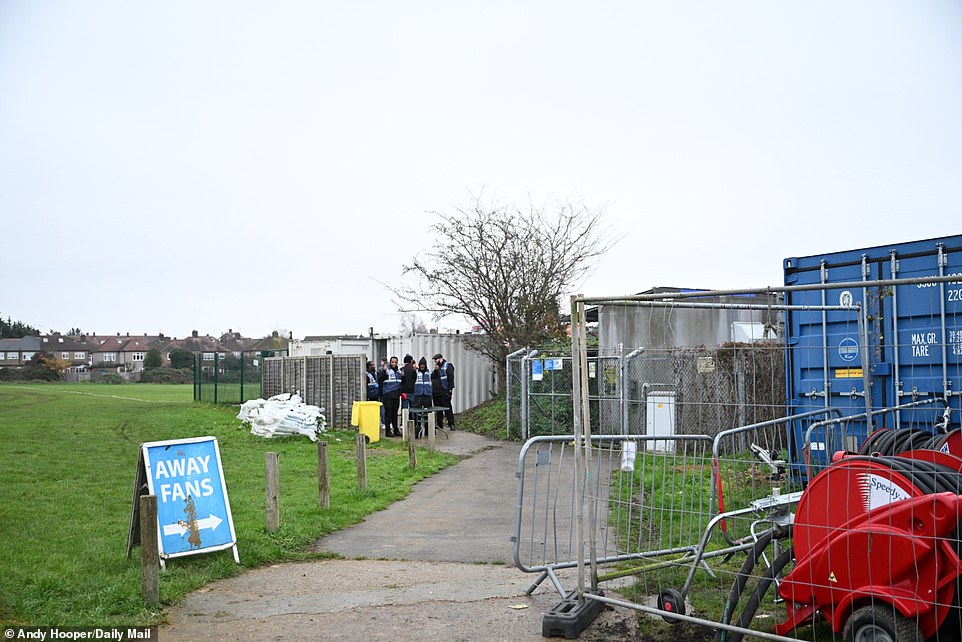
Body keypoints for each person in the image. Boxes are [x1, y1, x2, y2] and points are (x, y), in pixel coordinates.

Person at [431, 352, 456, 431]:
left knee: (447, 408)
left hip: (444, 391)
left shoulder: (447, 366)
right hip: (436, 392)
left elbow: (451, 379)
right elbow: (432, 377)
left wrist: (449, 390)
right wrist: (435, 371)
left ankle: (451, 424)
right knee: (438, 410)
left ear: (441, 359)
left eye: (436, 360)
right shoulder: (436, 368)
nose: (435, 361)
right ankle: (439, 424)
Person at [378, 356, 402, 437]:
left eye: (396, 362)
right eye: (393, 362)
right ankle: (388, 431)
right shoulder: (386, 370)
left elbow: (401, 382)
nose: (394, 364)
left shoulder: (399, 371)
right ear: (390, 362)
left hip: (396, 395)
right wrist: (384, 372)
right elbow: (380, 379)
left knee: (395, 413)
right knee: (388, 413)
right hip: (387, 394)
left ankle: (396, 430)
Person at [412, 356, 433, 437]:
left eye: (424, 364)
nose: (422, 366)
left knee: (428, 414)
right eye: (421, 364)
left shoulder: (430, 372)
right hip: (418, 395)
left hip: (427, 395)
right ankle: (417, 431)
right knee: (418, 415)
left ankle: (428, 431)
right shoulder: (416, 372)